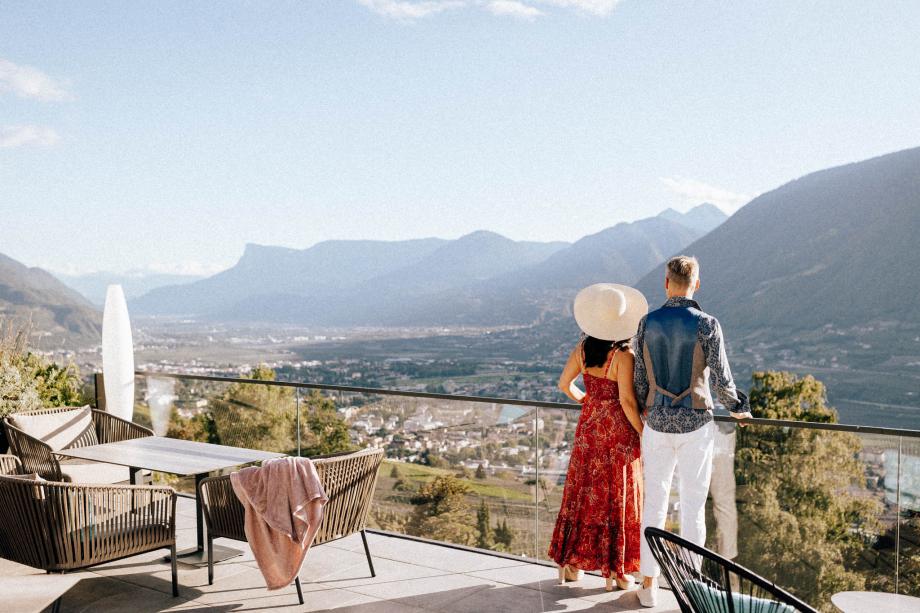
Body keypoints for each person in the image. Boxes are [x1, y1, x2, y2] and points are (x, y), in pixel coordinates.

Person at [634, 255, 752, 607]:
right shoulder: (707, 324)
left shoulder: (646, 323)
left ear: (666, 282)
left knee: (653, 505)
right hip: (697, 424)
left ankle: (648, 585)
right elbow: (721, 378)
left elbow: (641, 376)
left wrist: (646, 408)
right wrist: (738, 408)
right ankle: (690, 588)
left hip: (655, 423)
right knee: (693, 506)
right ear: (696, 284)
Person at [548, 283, 647, 592]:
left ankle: (572, 565)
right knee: (617, 499)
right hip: (617, 434)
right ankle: (616, 573)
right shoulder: (623, 356)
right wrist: (643, 434)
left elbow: (564, 384)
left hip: (588, 432)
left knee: (583, 496)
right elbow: (628, 402)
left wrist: (587, 402)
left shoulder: (581, 350)